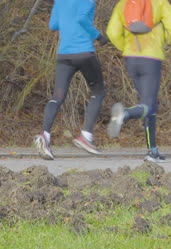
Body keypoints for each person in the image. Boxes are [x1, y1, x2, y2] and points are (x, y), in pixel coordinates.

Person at [106, 0, 171, 163]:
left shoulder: (123, 4)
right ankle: (124, 114)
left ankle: (152, 150)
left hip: (131, 58)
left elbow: (112, 32)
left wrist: (124, 47)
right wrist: (166, 41)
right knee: (148, 104)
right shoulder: (159, 2)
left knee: (149, 104)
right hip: (151, 57)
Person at [34, 0, 108, 160]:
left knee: (57, 97)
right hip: (84, 54)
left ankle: (45, 135)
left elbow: (53, 25)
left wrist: (67, 21)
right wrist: (99, 36)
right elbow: (82, 19)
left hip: (64, 55)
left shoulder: (60, 2)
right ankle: (86, 136)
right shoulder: (88, 1)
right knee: (98, 92)